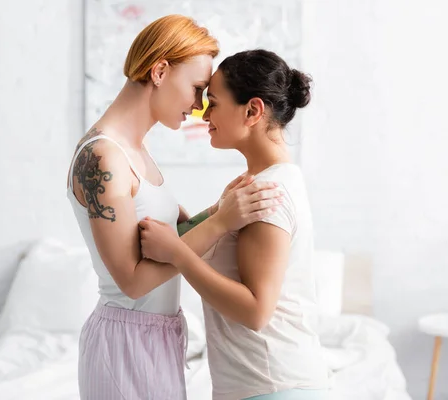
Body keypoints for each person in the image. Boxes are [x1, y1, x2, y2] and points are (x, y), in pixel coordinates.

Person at [66, 16, 283, 400]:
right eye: (198, 89)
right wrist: (219, 223)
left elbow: (168, 238)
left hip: (156, 338)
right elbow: (131, 282)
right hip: (124, 344)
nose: (200, 108)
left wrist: (219, 210)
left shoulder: (134, 152)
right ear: (161, 71)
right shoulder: (102, 157)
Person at [138, 49, 332, 400]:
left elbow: (256, 311)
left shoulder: (267, 193)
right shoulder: (256, 185)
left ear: (252, 110)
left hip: (274, 385)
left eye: (213, 102)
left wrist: (179, 256)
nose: (202, 112)